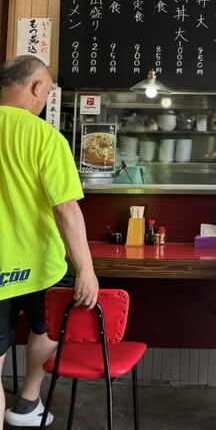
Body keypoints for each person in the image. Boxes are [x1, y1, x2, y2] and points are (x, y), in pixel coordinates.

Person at [0, 55, 99, 427]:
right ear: (37, 87)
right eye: (47, 92)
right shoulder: (45, 137)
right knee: (49, 329)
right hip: (42, 267)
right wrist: (86, 270)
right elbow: (66, 209)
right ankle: (27, 401)